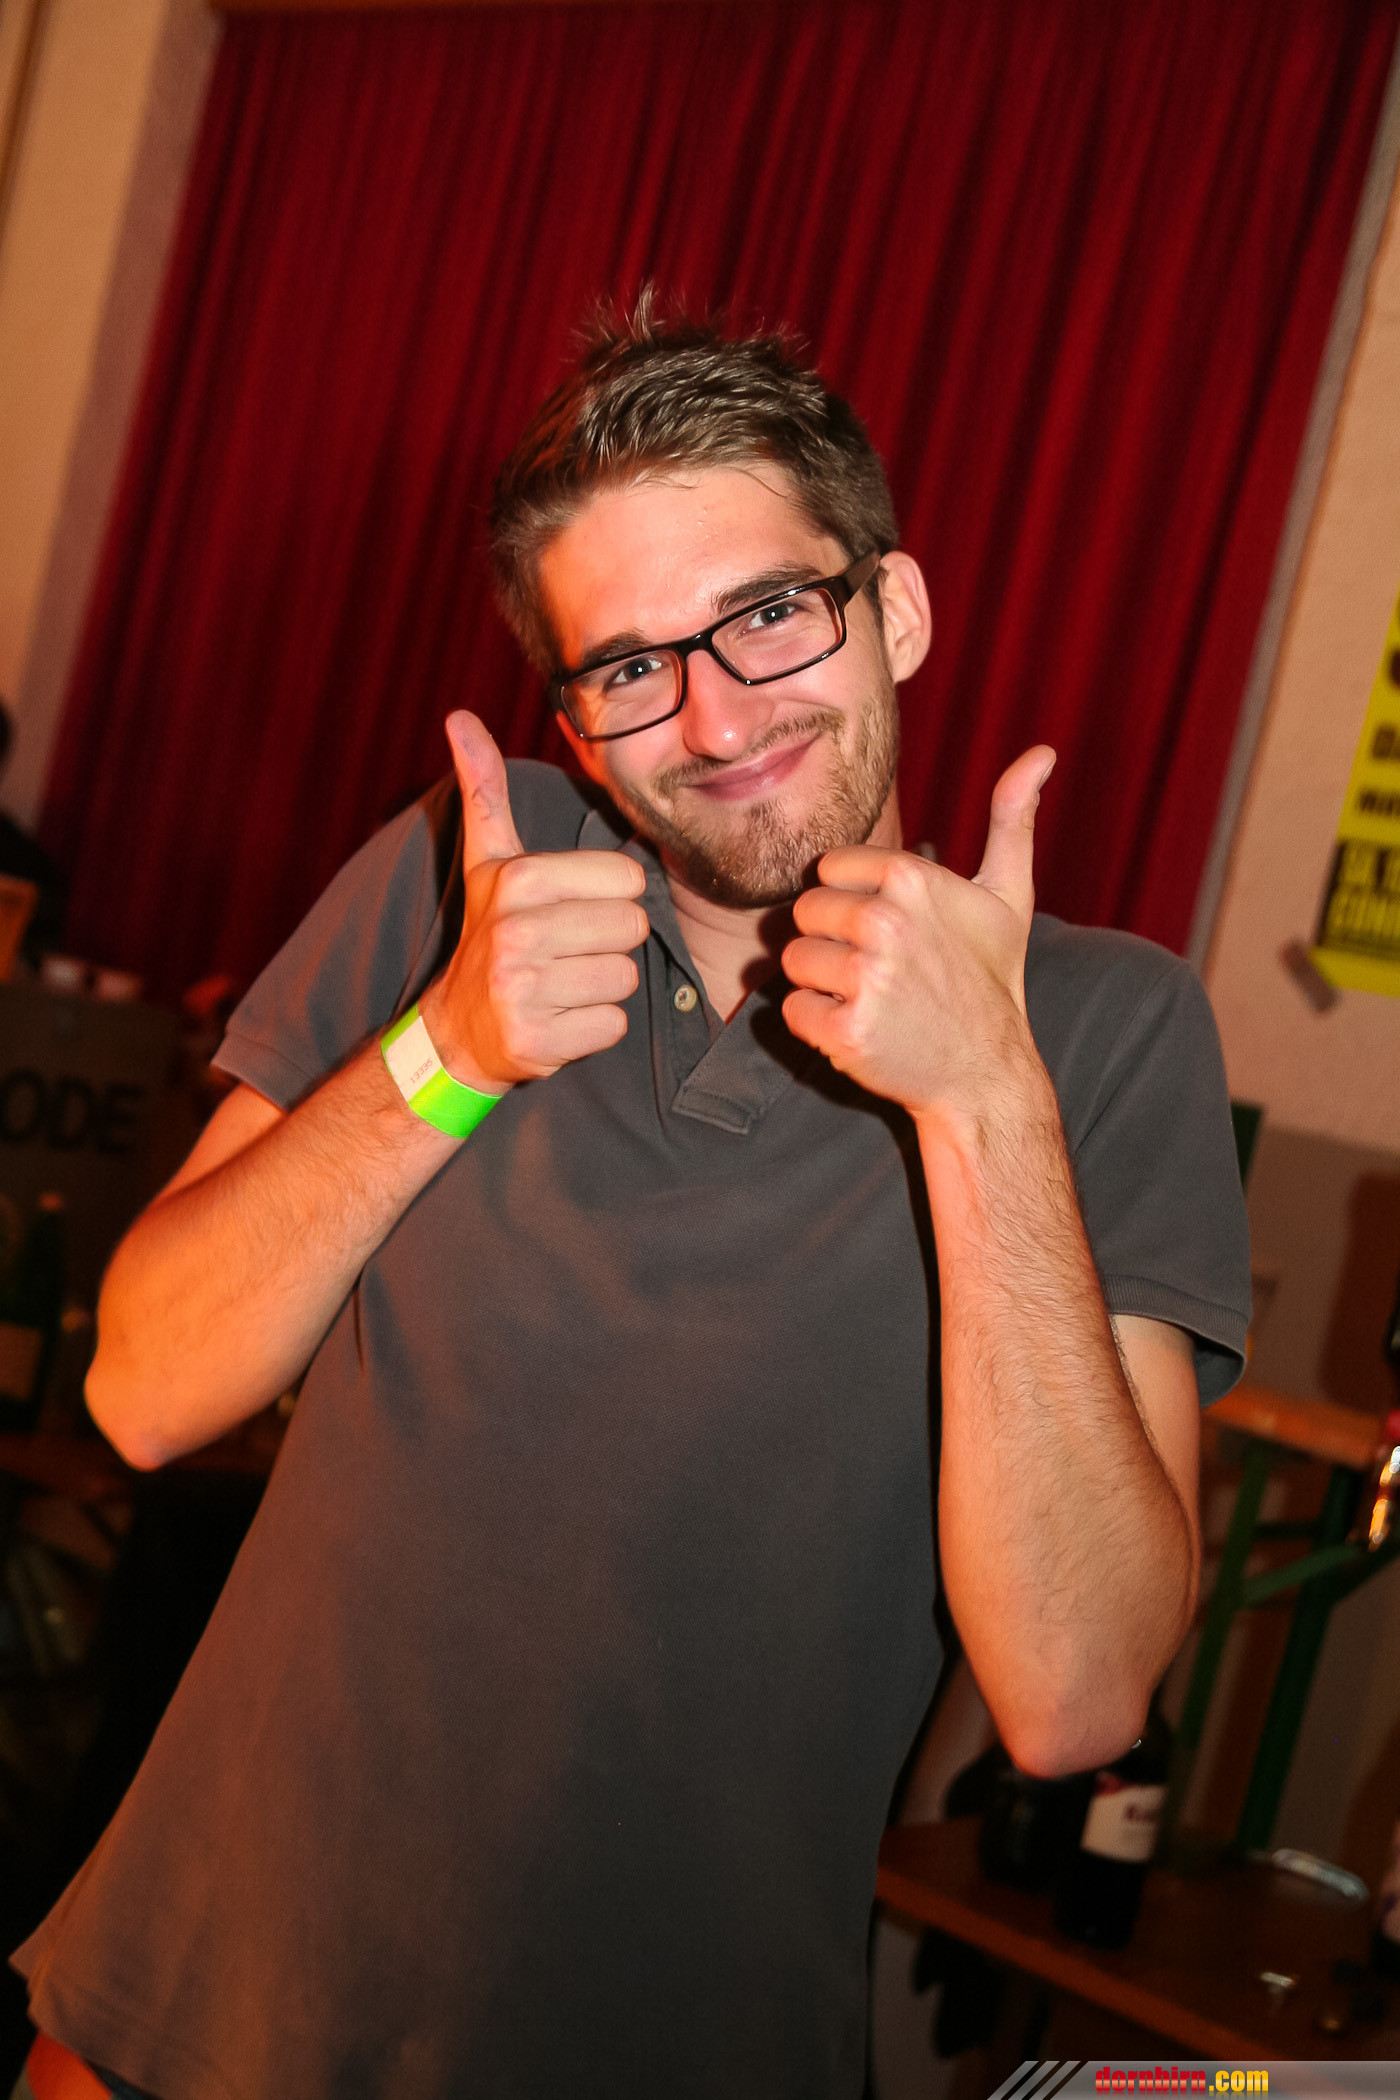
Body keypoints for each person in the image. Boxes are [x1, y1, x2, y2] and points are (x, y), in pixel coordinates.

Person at [13, 300, 1250, 2100]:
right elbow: (140, 1392)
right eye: (629, 667)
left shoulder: (1104, 1027)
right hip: (190, 2016)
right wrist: (449, 1050)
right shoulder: (467, 876)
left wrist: (986, 1096)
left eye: (769, 613)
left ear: (895, 610)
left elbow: (1076, 1699)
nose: (715, 715)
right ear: (578, 730)